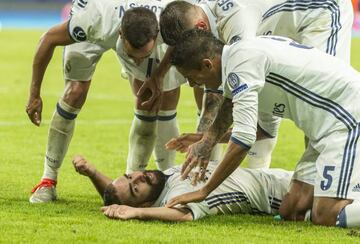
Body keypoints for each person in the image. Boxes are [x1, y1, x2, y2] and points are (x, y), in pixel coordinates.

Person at [166, 29, 360, 228]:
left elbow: (244, 140)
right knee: (292, 209)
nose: (191, 84)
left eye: (190, 77)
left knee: (327, 215)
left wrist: (204, 191)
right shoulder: (242, 60)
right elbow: (262, 130)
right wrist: (206, 138)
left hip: (347, 118)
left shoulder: (240, 67)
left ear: (208, 65)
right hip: (324, 129)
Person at [139, 0, 354, 170]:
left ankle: (335, 184)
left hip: (321, 13)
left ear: (201, 27)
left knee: (322, 103)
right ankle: (264, 176)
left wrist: (209, 139)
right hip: (281, 27)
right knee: (261, 101)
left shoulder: (237, 25)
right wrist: (159, 74)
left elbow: (236, 86)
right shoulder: (195, 14)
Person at [27, 0, 188, 203]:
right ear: (121, 35)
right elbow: (48, 39)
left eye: (142, 56)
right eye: (131, 56)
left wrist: (159, 75)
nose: (137, 61)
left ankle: (140, 184)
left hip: (140, 22)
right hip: (100, 22)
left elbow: (183, 37)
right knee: (74, 93)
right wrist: (34, 95)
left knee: (151, 101)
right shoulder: (92, 20)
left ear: (156, 36)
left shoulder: (166, 20)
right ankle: (47, 181)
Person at [72, 155, 292, 222]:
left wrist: (92, 172)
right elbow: (184, 215)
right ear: (147, 204)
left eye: (131, 175)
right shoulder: (175, 197)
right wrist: (137, 213)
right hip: (282, 197)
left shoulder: (162, 180)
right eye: (136, 188)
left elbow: (118, 192)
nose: (139, 177)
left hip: (279, 176)